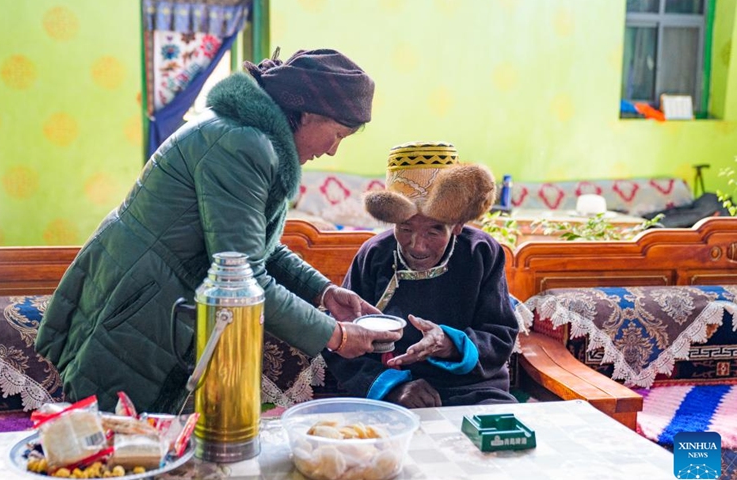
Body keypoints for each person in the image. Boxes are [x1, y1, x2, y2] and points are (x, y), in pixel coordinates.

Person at [35, 48, 401, 413]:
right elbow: (243, 277)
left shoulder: (244, 135)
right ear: (306, 113)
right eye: (336, 134)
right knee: (117, 448)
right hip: (139, 310)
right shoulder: (242, 146)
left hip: (147, 301)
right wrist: (335, 336)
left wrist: (323, 292)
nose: (333, 151)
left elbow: (257, 246)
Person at [322, 141, 520, 408]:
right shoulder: (375, 254)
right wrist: (393, 386)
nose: (417, 245)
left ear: (458, 224)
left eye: (433, 231)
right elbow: (342, 341)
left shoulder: (481, 252)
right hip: (391, 393)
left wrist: (451, 344)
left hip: (473, 391)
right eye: (405, 229)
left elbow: (500, 333)